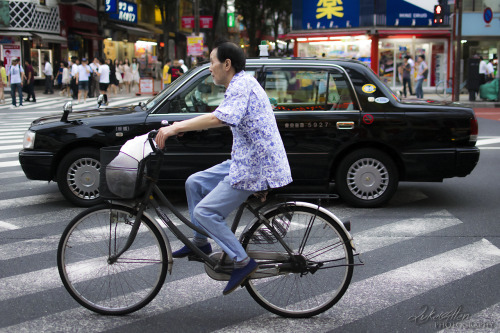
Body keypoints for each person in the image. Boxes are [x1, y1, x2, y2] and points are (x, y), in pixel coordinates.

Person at [154, 40, 293, 295]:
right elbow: (219, 114)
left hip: (253, 167)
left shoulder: (241, 85)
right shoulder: (240, 83)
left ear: (226, 64)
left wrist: (174, 128)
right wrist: (183, 126)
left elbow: (218, 118)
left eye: (211, 62)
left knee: (207, 213)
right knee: (194, 182)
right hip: (245, 160)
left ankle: (242, 261)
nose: (209, 68)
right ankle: (200, 242)